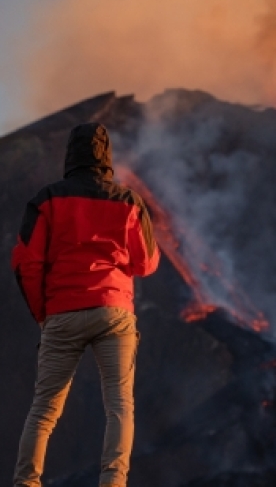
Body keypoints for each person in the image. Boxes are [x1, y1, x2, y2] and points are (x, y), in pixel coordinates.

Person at [11, 123, 160, 487]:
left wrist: (43, 315)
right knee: (120, 405)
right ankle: (113, 482)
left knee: (44, 410)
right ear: (106, 157)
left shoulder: (47, 201)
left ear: (70, 155)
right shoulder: (127, 201)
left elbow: (25, 262)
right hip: (113, 311)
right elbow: (147, 263)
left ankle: (26, 483)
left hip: (62, 312)